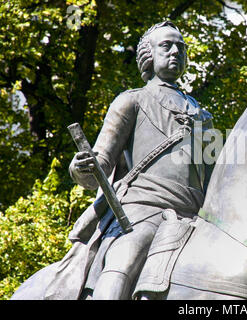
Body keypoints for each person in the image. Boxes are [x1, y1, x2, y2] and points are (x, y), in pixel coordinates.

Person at [68, 21, 213, 299]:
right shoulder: (131, 101)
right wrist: (81, 167)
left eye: (180, 47)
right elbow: (100, 163)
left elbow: (214, 177)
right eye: (166, 46)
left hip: (194, 217)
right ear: (149, 54)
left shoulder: (204, 116)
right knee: (123, 263)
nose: (175, 51)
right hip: (142, 211)